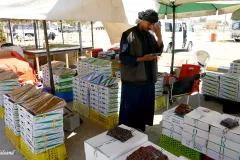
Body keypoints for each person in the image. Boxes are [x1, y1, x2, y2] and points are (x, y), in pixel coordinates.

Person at [119, 9, 164, 132]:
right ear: (142, 20)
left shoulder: (150, 36)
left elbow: (158, 51)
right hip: (133, 80)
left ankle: (139, 131)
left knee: (144, 108)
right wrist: (142, 59)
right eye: (149, 24)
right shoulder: (128, 34)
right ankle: (125, 132)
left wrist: (159, 36)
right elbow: (123, 57)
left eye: (152, 24)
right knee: (130, 108)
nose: (150, 26)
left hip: (148, 79)